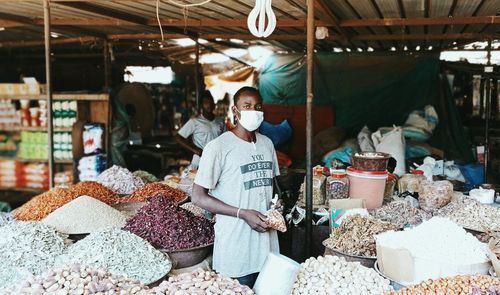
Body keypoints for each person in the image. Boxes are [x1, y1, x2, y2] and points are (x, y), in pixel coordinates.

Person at [192, 86, 280, 288]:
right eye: (247, 106)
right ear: (235, 110)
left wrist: (277, 204)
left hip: (267, 244)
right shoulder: (218, 147)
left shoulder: (267, 144)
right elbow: (198, 197)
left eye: (258, 106)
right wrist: (242, 213)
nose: (253, 111)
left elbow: (272, 186)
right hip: (235, 246)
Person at [175, 91, 225, 169]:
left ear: (214, 104)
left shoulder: (220, 121)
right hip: (200, 161)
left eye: (211, 102)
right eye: (206, 103)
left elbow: (225, 138)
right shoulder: (194, 121)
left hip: (217, 160)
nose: (209, 105)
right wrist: (196, 150)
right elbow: (178, 137)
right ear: (201, 106)